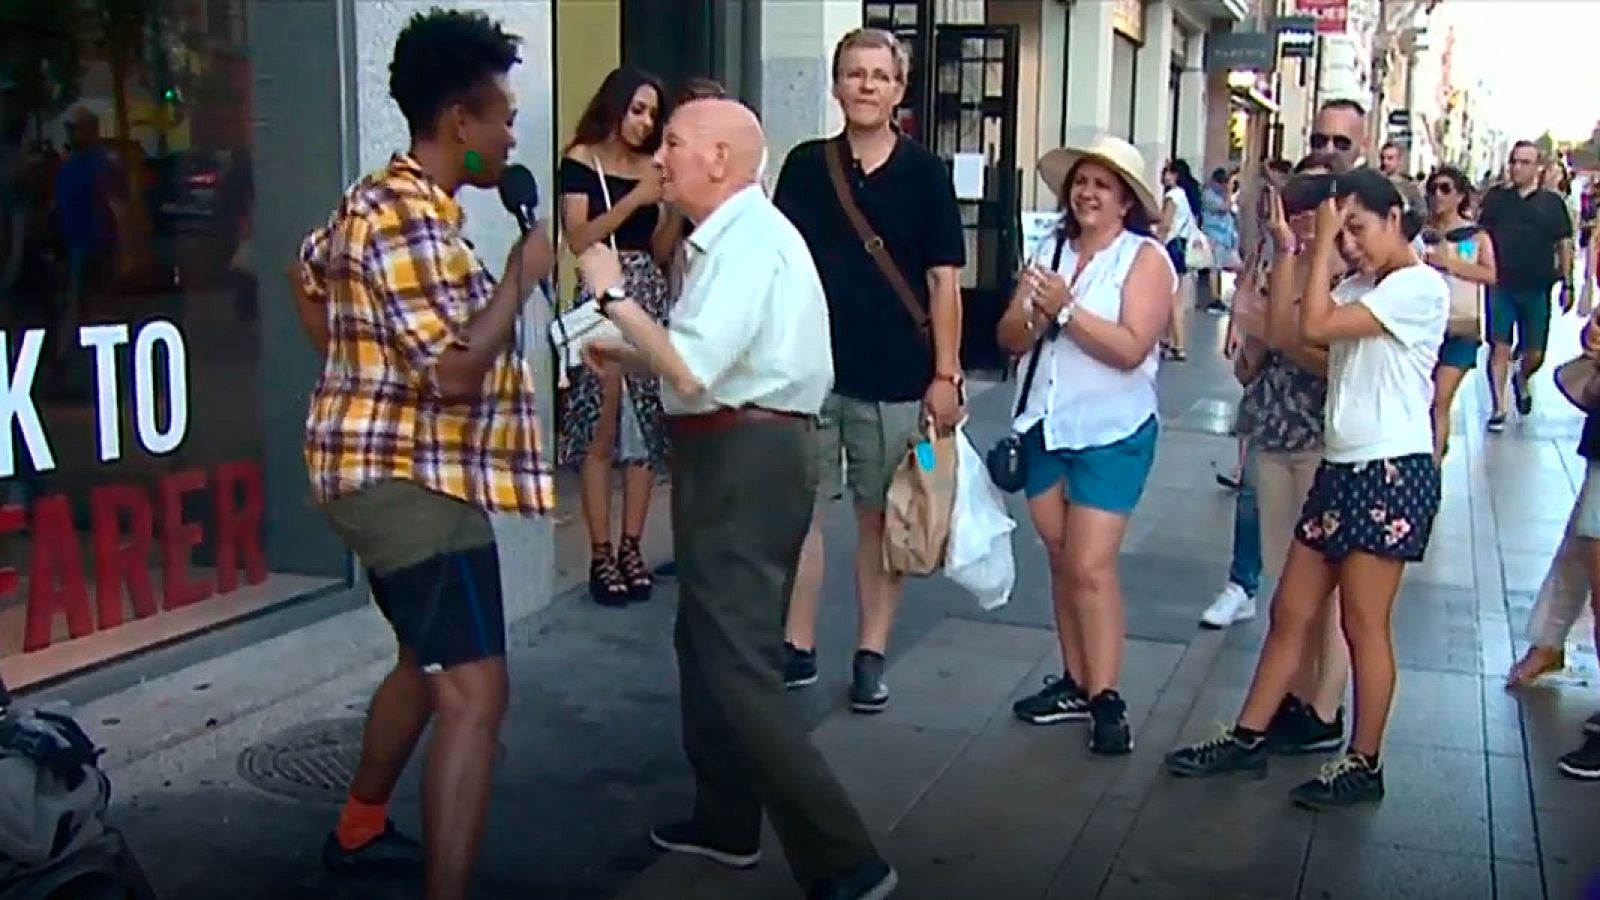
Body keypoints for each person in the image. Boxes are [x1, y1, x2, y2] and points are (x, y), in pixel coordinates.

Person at [578, 97, 898, 900]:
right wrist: (628, 353)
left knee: (737, 660)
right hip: (731, 443)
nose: (662, 159)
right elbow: (701, 363)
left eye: (676, 144)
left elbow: (693, 367)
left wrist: (614, 298)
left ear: (720, 159)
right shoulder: (731, 240)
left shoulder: (749, 241)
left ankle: (846, 860)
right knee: (705, 642)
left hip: (746, 453)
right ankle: (726, 821)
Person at [292, 12, 554, 898]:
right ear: (458, 124)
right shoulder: (404, 217)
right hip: (406, 483)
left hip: (394, 470)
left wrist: (349, 362)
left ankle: (360, 828)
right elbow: (449, 374)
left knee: (426, 656)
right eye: (503, 118)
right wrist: (521, 276)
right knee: (476, 694)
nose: (512, 135)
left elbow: (308, 271)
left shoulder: (380, 203)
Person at [1164, 169, 1448, 810]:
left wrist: (1317, 239)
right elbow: (1291, 334)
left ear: (1394, 217)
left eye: (1357, 228)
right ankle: (1248, 734)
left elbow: (1315, 323)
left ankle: (1365, 759)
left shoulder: (1417, 287)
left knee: (1363, 626)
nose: (1348, 243)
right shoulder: (1363, 287)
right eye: (1342, 230)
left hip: (1390, 470)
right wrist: (1289, 249)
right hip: (1342, 468)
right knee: (1291, 609)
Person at [773, 27, 966, 707]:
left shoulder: (926, 174)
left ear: (899, 90)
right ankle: (797, 644)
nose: (865, 86)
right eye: (854, 73)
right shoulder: (804, 166)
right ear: (835, 84)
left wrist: (945, 375)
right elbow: (781, 267)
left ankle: (870, 652)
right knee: (800, 511)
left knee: (883, 517)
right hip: (810, 371)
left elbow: (944, 283)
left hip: (897, 373)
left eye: (879, 76)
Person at [997, 134, 1175, 754]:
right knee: (1058, 554)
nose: (1088, 192)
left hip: (1111, 430)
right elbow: (1010, 337)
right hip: (1045, 423)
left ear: (1126, 200)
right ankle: (1076, 678)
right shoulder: (1049, 248)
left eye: (1103, 184)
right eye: (1081, 181)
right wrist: (1033, 313)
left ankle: (1106, 695)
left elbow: (1130, 349)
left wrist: (1067, 311)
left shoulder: (1145, 259)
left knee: (1090, 565)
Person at [557, 66, 681, 606]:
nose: (645, 122)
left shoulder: (654, 166)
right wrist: (635, 199)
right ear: (615, 105)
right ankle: (600, 552)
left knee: (647, 428)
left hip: (647, 291)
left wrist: (672, 207)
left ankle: (633, 545)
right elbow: (578, 237)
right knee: (600, 429)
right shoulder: (582, 161)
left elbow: (658, 249)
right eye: (637, 109)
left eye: (653, 113)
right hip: (601, 292)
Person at [1478, 140, 1575, 431]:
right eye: (1514, 161)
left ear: (1537, 167)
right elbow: (1481, 236)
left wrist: (1568, 283)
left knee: (1535, 353)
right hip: (1501, 283)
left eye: (1524, 162)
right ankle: (1499, 407)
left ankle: (1521, 376)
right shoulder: (1497, 201)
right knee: (1499, 346)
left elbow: (1564, 243)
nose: (1517, 168)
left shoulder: (1552, 203)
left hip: (1537, 286)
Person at [1421, 166, 1497, 460]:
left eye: (1445, 189)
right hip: (1426, 327)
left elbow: (1490, 274)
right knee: (1423, 400)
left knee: (1440, 399)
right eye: (1433, 189)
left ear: (1460, 195)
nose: (1437, 196)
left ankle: (1434, 467)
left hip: (1461, 328)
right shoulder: (1422, 233)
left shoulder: (1475, 236)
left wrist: (1450, 264)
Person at [1158, 158, 1201, 361]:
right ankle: (1167, 340)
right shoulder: (1185, 196)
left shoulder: (1173, 196)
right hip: (1182, 247)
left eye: (1167, 172)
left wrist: (1156, 243)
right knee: (1176, 296)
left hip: (1171, 247)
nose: (1163, 176)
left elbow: (1165, 224)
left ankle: (1178, 344)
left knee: (1172, 298)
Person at [1198, 166, 1239, 313]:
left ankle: (1218, 297)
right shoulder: (1209, 195)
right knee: (1214, 268)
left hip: (1223, 237)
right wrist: (1228, 190)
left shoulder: (1216, 193)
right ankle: (1214, 299)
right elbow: (1225, 208)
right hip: (1214, 235)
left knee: (1219, 268)